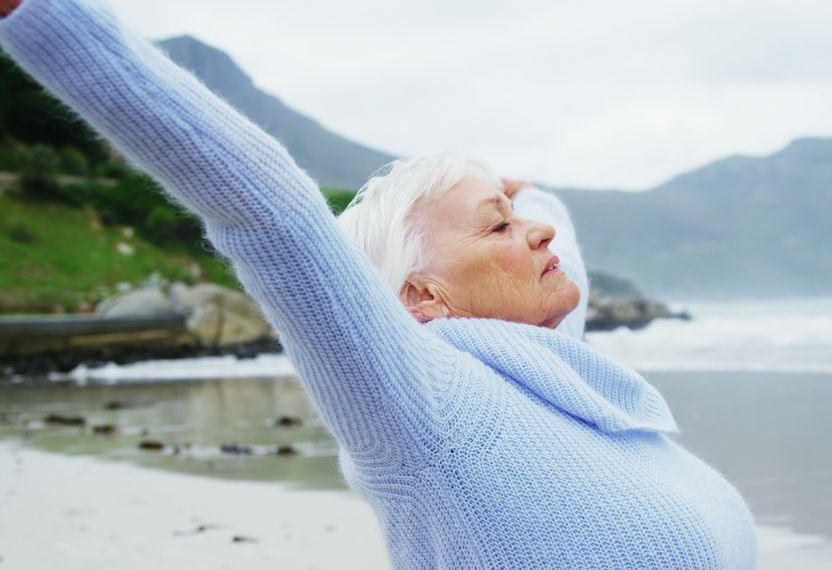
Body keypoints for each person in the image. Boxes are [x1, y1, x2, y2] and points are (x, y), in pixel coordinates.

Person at [0, 0, 757, 567]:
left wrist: (512, 199)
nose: (540, 234)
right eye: (496, 229)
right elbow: (272, 213)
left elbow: (558, 250)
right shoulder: (426, 410)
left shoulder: (564, 382)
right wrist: (49, 19)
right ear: (422, 298)